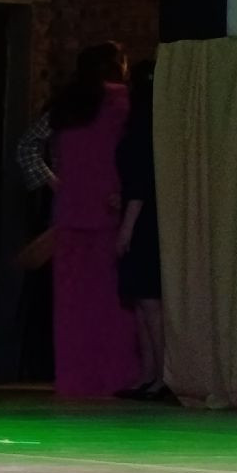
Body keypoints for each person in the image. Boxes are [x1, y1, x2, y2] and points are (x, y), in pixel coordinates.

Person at [43, 42, 140, 397]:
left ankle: (75, 378)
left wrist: (58, 183)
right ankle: (117, 377)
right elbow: (136, 153)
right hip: (109, 213)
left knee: (72, 307)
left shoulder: (64, 105)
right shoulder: (122, 103)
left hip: (70, 215)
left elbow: (26, 150)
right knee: (113, 307)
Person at [115, 60, 169, 400]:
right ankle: (149, 374)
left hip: (144, 221)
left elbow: (140, 184)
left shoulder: (143, 129)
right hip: (143, 216)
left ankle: (160, 375)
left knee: (149, 301)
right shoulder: (149, 124)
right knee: (141, 302)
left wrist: (126, 227)